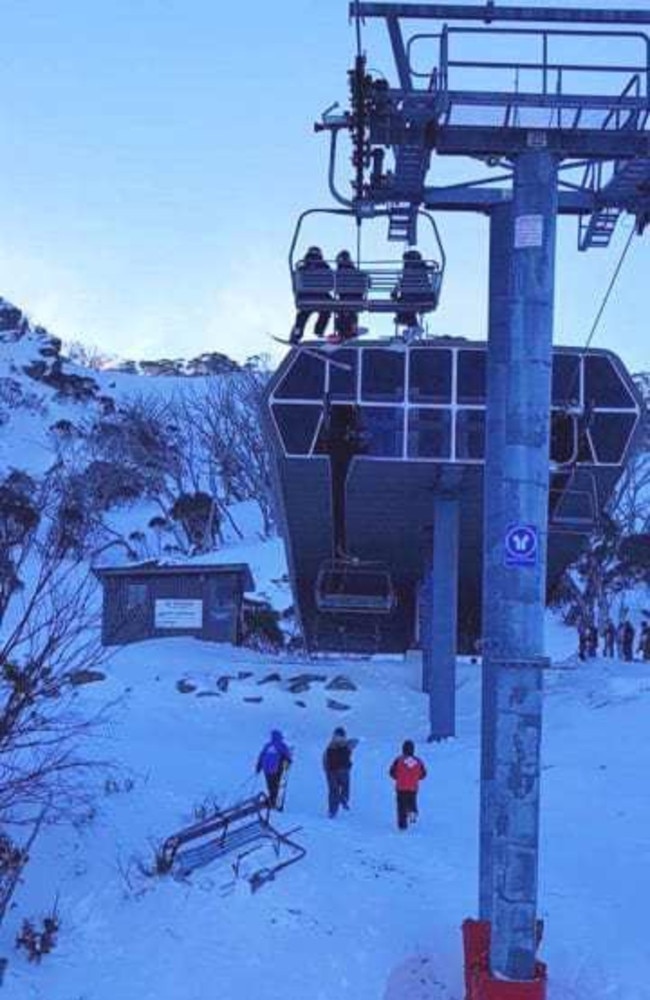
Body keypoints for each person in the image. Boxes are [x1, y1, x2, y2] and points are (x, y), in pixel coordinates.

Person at [290, 246, 333, 344]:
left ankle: (297, 333)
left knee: (302, 315)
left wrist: (299, 293)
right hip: (321, 296)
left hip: (306, 296)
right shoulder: (325, 267)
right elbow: (330, 284)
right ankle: (319, 331)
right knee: (326, 311)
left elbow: (296, 283)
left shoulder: (302, 266)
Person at [391, 249, 434, 330]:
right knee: (407, 305)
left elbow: (404, 284)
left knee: (404, 304)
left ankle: (411, 324)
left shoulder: (408, 269)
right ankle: (412, 325)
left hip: (411, 297)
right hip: (424, 297)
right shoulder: (422, 267)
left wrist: (395, 291)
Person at [389, 739, 427, 830]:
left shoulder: (399, 760)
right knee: (412, 801)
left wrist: (397, 777)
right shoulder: (418, 761)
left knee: (401, 805)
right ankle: (412, 811)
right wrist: (416, 778)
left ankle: (402, 825)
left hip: (401, 787)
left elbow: (392, 772)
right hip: (413, 787)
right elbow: (423, 774)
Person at [331, 250, 367, 342]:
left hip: (344, 298)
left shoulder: (338, 273)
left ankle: (343, 331)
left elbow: (333, 286)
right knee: (350, 311)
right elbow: (364, 283)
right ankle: (350, 329)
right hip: (356, 298)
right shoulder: (354, 271)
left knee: (342, 310)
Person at [323, 725, 358, 817]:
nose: (338, 739)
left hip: (343, 770)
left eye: (341, 737)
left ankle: (343, 800)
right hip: (332, 771)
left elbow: (353, 743)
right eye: (336, 737)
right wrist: (327, 770)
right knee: (333, 790)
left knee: (345, 787)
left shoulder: (346, 745)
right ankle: (332, 811)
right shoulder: (330, 747)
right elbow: (325, 759)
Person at [256, 729, 292, 808]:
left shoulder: (267, 745)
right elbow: (287, 755)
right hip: (276, 769)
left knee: (270, 785)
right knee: (276, 785)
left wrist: (258, 766)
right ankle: (273, 801)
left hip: (266, 769)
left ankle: (271, 799)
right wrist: (289, 761)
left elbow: (261, 756)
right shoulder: (282, 745)